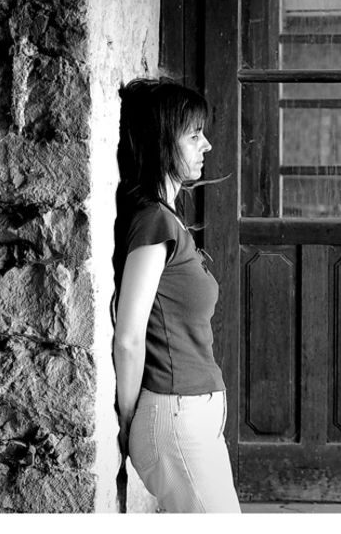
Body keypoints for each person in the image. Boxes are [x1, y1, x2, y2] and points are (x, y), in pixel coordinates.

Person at [111, 78, 240, 513]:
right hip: (174, 414)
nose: (207, 145)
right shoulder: (153, 222)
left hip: (194, 414)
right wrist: (127, 419)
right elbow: (129, 337)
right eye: (193, 135)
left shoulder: (168, 220)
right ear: (163, 142)